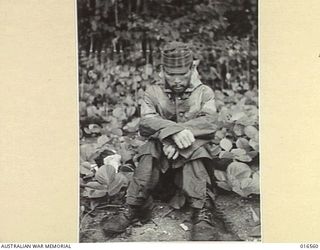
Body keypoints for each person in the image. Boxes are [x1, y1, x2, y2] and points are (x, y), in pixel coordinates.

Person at [103, 41, 220, 241]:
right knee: (149, 149)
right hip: (160, 171)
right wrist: (172, 133)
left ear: (192, 69)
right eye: (171, 74)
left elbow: (209, 123)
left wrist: (175, 140)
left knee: (195, 149)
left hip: (193, 168)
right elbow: (146, 123)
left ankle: (202, 213)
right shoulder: (152, 92)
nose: (177, 80)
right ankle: (133, 206)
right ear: (162, 70)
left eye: (182, 74)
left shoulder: (204, 92)